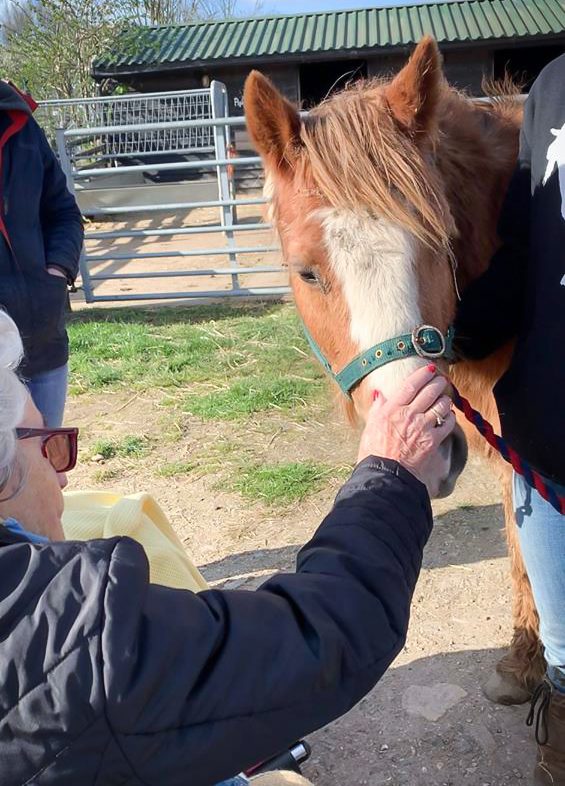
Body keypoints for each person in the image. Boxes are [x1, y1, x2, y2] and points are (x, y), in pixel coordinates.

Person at [0, 308, 456, 785]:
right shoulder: (63, 636)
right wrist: (390, 472)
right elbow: (327, 632)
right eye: (50, 447)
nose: (64, 474)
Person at [454, 53, 565, 784]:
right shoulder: (556, 84)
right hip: (550, 431)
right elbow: (523, 245)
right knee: (564, 640)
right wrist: (433, 342)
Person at [0, 80, 83, 427]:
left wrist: (57, 271)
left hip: (42, 344)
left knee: (49, 470)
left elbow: (62, 211)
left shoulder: (18, 122)